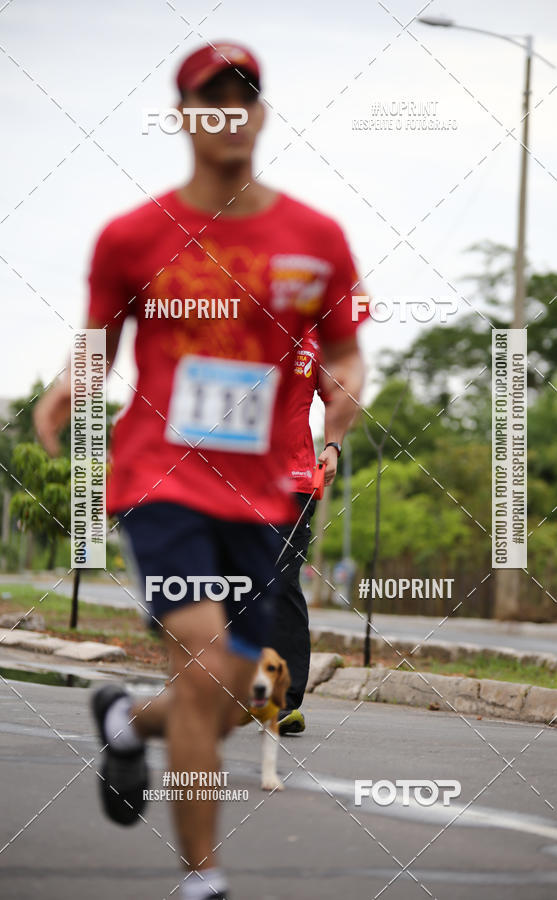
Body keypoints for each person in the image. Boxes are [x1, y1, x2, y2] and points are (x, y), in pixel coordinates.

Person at [34, 41, 365, 900]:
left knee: (243, 695)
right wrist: (70, 387)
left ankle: (124, 718)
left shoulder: (315, 239)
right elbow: (99, 339)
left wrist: (345, 400)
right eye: (208, 100)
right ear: (183, 116)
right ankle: (202, 879)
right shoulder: (133, 236)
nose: (227, 114)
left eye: (242, 98)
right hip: (162, 481)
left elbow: (348, 352)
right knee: (210, 665)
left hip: (265, 495)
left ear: (260, 114)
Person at [271, 330, 345, 736]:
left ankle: (285, 703)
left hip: (296, 481)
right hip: (230, 480)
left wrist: (333, 445)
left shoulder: (316, 339)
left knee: (281, 580)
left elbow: (337, 395)